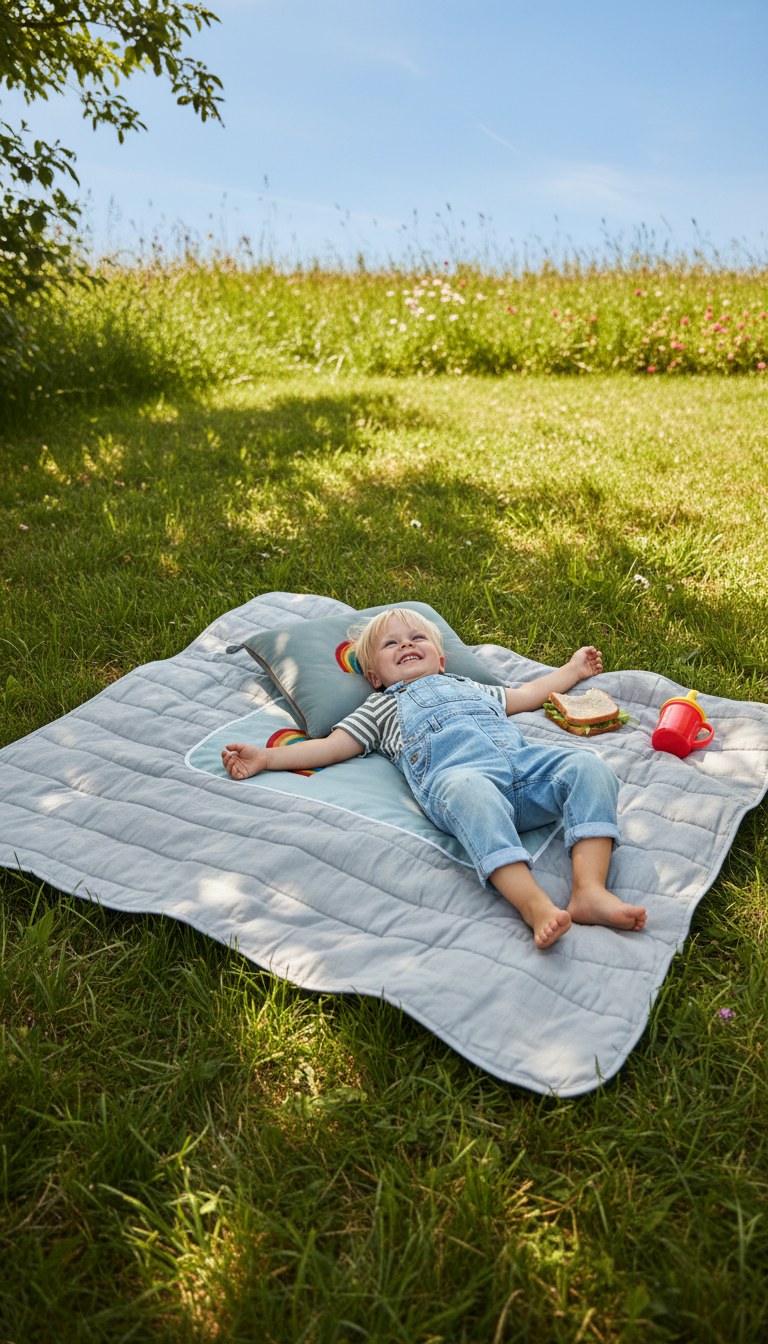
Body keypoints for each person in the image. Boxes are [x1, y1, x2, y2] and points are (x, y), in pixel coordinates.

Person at [222, 609, 647, 949]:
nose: (406, 644)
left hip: (527, 770)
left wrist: (572, 669)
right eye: (391, 644)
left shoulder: (473, 686)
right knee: (470, 793)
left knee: (588, 767)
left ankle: (589, 891)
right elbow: (330, 747)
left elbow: (530, 694)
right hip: (463, 784)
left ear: (441, 660)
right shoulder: (379, 708)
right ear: (374, 677)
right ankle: (534, 905)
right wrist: (267, 757)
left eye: (416, 638)